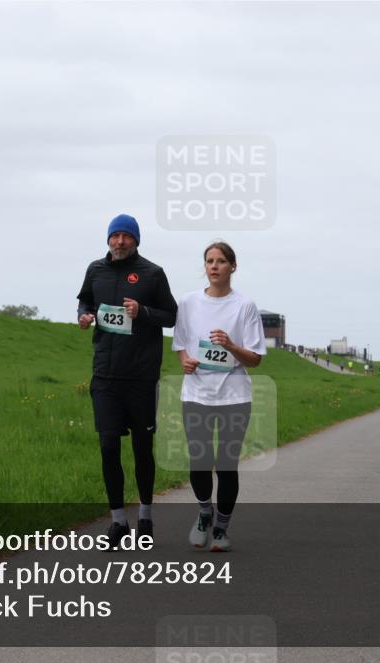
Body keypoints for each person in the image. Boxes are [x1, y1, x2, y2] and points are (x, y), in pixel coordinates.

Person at [77, 214, 177, 548]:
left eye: (126, 236)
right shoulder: (96, 270)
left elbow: (172, 315)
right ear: (108, 239)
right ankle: (118, 522)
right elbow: (85, 299)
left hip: (141, 377)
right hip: (105, 375)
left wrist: (143, 312)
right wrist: (84, 315)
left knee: (141, 448)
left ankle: (145, 516)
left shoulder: (152, 273)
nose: (120, 241)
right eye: (115, 236)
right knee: (108, 446)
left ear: (136, 240)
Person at [172, 241, 266, 552]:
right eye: (209, 261)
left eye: (221, 261)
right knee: (200, 461)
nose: (214, 266)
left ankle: (222, 529)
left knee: (226, 465)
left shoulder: (245, 306)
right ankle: (203, 514)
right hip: (197, 393)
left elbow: (255, 358)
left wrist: (230, 345)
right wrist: (185, 361)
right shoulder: (188, 302)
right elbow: (181, 344)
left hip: (234, 395)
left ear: (233, 267)